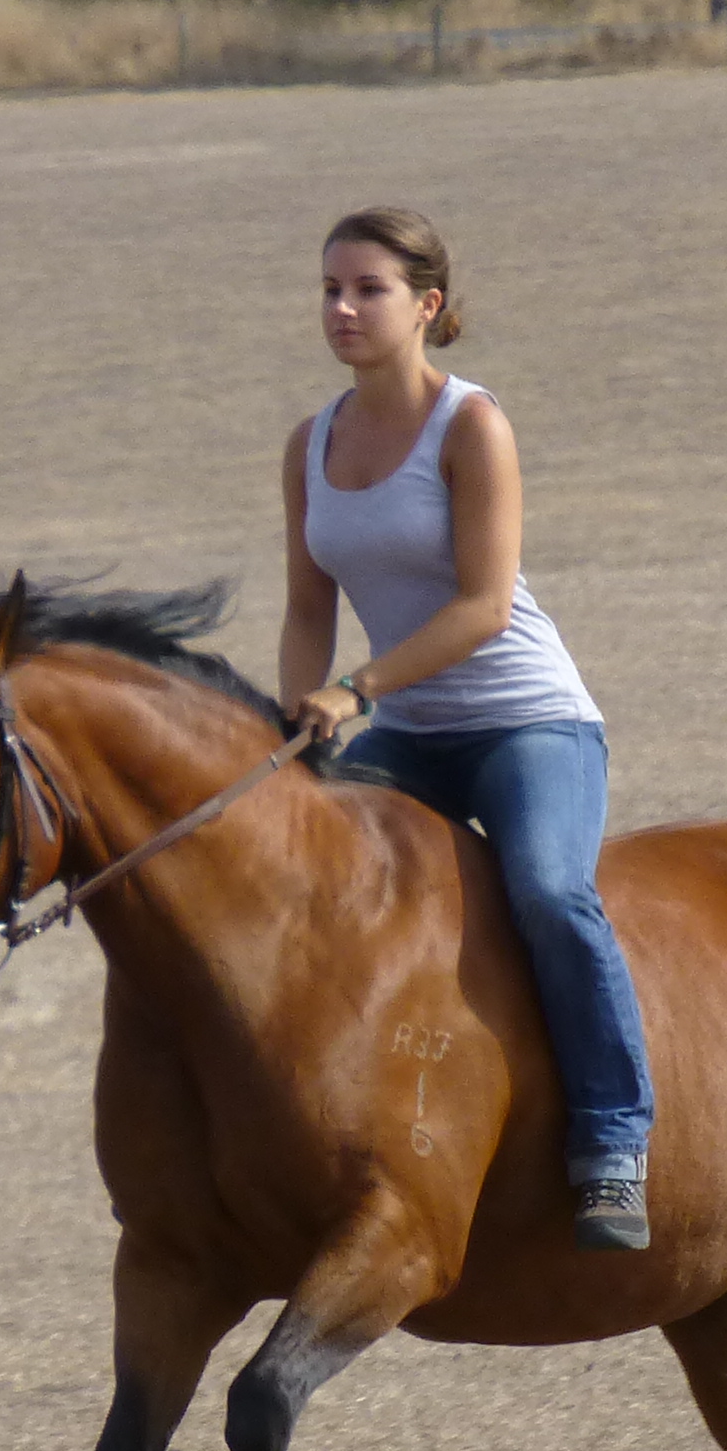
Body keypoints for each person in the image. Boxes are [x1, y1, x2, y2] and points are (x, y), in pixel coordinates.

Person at [279, 206, 657, 1253]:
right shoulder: (312, 444)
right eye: (329, 290)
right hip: (406, 730)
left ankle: (613, 1143)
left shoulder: (470, 426)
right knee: (304, 889)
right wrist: (292, 726)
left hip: (525, 722)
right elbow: (307, 607)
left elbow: (484, 606)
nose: (343, 309)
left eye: (369, 290)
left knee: (547, 891)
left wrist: (354, 690)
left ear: (427, 306)